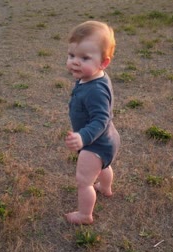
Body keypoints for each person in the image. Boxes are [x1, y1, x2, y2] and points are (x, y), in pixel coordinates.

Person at [64, 21, 121, 224]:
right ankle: (105, 188)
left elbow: (100, 119)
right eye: (72, 56)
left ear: (103, 63)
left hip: (95, 142)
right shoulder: (93, 77)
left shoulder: (96, 89)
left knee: (84, 181)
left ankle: (85, 215)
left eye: (85, 58)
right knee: (103, 166)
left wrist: (83, 136)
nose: (75, 62)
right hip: (107, 139)